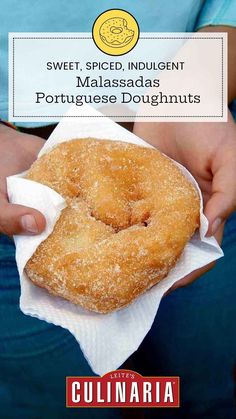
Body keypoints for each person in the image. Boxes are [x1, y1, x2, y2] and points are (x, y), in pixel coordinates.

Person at [0, 1, 235, 418]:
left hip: (193, 168)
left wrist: (200, 86)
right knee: (59, 405)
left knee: (200, 386)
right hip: (11, 192)